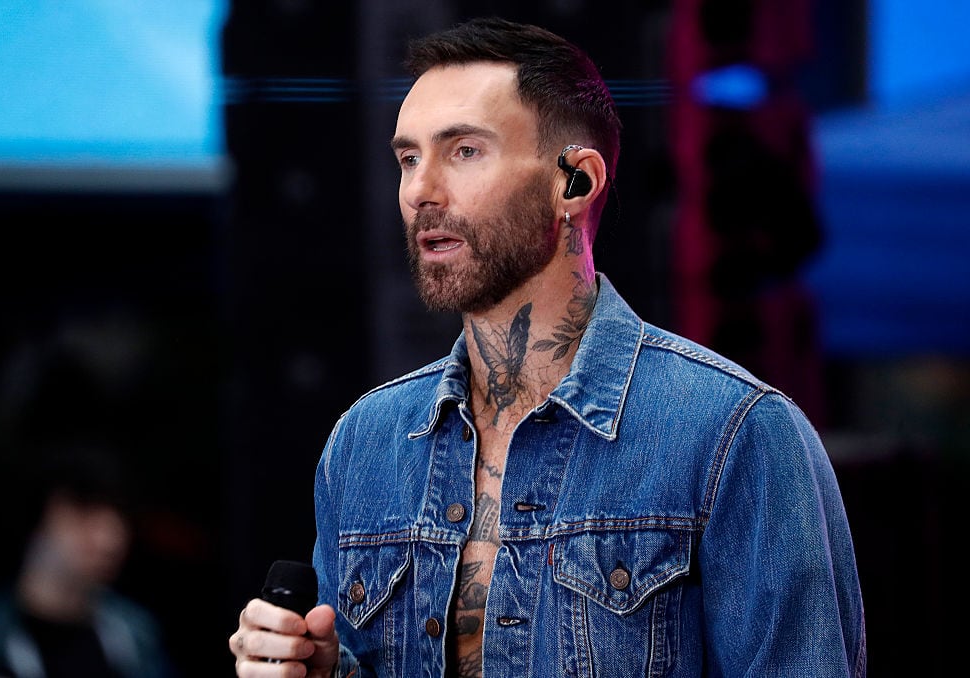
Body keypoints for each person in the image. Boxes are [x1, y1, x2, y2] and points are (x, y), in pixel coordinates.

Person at [229, 16, 866, 677]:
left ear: (576, 182)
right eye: (409, 158)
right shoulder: (366, 443)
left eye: (465, 151)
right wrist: (321, 669)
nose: (420, 190)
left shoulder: (731, 434)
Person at [0, 445, 175, 678]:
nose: (110, 539)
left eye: (119, 518)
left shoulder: (138, 637)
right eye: (85, 511)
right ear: (38, 520)